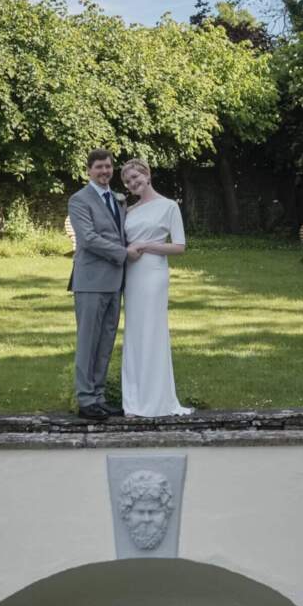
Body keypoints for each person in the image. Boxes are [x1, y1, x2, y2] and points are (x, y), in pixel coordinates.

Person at [120, 158, 192, 418]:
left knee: (152, 330)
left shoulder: (168, 206)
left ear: (147, 175)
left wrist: (145, 246)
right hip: (132, 274)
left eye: (136, 178)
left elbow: (180, 246)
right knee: (135, 332)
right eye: (128, 182)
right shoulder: (129, 210)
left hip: (153, 273)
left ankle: (157, 399)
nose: (133, 183)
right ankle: (135, 399)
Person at [67, 149, 134, 419]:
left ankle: (99, 396)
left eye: (108, 166)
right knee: (88, 342)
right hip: (91, 281)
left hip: (114, 282)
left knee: (105, 342)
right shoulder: (79, 200)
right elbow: (89, 238)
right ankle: (85, 400)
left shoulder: (118, 199)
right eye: (99, 167)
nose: (105, 171)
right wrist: (124, 253)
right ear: (89, 171)